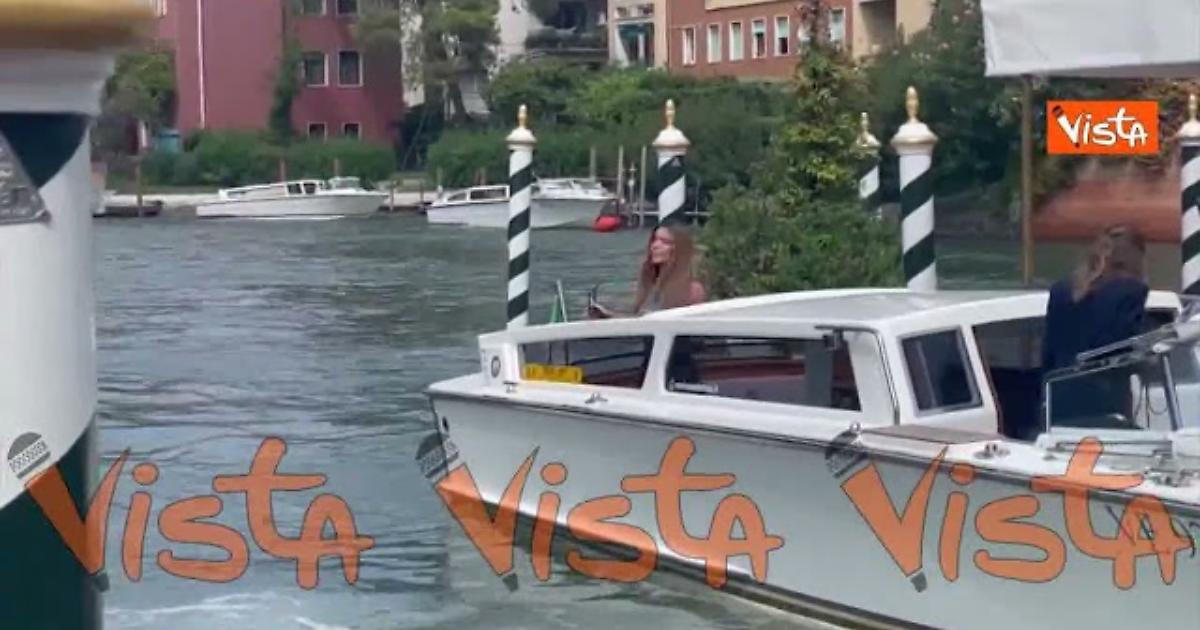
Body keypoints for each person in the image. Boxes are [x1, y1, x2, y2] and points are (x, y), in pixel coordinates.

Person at [1039, 224, 1149, 431]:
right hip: (1103, 400)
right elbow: (1121, 348)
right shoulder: (1132, 291)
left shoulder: (1060, 290)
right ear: (1136, 257)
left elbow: (1048, 350)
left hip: (1058, 396)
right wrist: (1148, 362)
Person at [588, 225, 707, 318]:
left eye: (665, 242)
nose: (655, 246)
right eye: (654, 240)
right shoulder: (649, 286)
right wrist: (607, 315)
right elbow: (640, 319)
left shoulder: (692, 290)